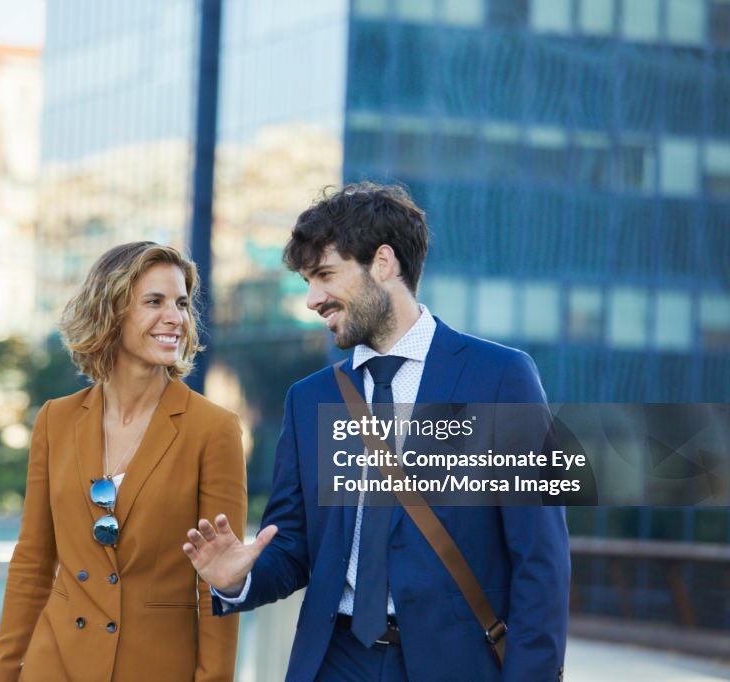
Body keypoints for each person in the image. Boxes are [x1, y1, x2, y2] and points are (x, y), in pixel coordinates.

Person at [183, 184, 570, 682]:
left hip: (458, 666)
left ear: (383, 263)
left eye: (324, 275)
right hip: (336, 661)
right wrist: (239, 579)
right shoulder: (310, 399)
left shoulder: (501, 378)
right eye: (307, 281)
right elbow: (294, 547)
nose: (312, 300)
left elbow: (541, 558)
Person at [0, 242, 246, 682]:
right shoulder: (55, 419)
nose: (176, 318)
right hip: (55, 664)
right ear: (111, 313)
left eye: (182, 304)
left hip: (156, 667)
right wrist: (2, 675)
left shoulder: (214, 429)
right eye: (154, 302)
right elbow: (32, 562)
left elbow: (216, 583)